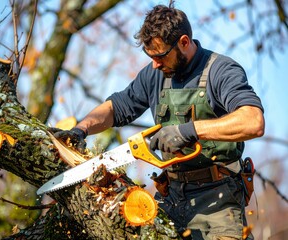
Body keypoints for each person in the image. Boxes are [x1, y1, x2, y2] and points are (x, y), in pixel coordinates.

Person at [51, 3, 265, 240]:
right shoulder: (155, 74)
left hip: (218, 200)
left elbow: (252, 120)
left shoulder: (220, 70)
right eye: (150, 56)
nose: (154, 64)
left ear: (184, 42)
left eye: (160, 56)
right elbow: (116, 107)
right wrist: (81, 129)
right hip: (170, 198)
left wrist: (190, 130)